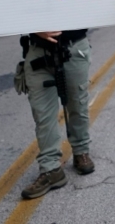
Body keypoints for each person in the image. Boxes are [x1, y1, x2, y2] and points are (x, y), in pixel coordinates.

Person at [20, 29, 94, 199]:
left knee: (77, 104)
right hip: (37, 50)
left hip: (74, 46)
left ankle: (81, 151)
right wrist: (35, 28)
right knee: (42, 114)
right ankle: (51, 169)